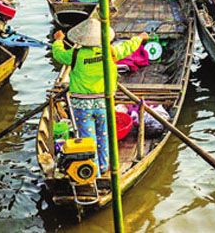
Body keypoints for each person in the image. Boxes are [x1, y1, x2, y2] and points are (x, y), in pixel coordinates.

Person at [52, 19, 147, 176]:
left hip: (81, 105)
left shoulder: (75, 54)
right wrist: (141, 37)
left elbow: (58, 54)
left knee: (87, 138)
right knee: (104, 135)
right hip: (104, 102)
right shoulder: (111, 52)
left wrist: (58, 41)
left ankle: (93, 171)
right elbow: (129, 46)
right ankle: (103, 166)